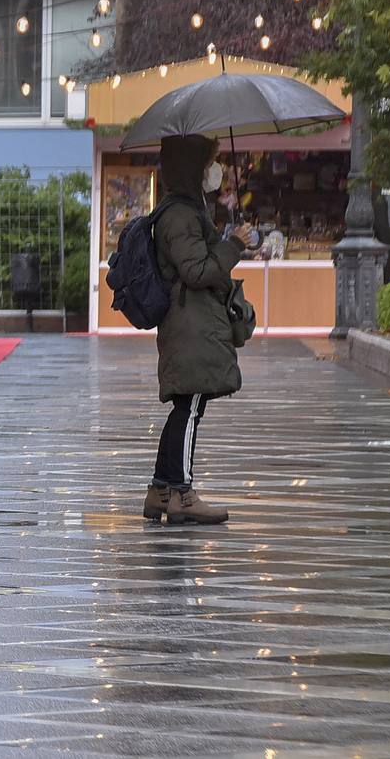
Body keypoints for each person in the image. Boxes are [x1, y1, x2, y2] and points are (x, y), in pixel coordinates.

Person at [145, 134, 250, 526]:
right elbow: (196, 270)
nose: (213, 171)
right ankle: (183, 494)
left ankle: (160, 490)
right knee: (189, 408)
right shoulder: (180, 215)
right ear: (192, 168)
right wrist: (233, 245)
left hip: (193, 320)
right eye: (208, 163)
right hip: (190, 322)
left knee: (186, 407)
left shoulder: (188, 210)